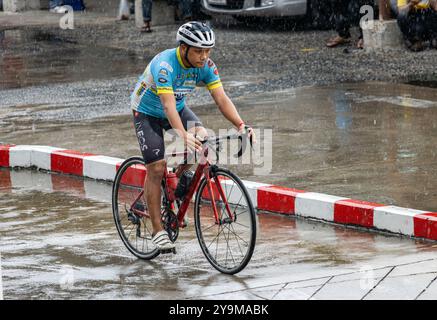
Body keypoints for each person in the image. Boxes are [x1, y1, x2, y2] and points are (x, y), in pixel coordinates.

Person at [130, 22, 255, 251]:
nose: (203, 56)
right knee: (156, 168)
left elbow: (221, 99)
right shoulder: (166, 65)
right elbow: (167, 106)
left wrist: (241, 124)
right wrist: (181, 135)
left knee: (202, 137)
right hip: (147, 112)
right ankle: (158, 230)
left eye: (208, 50)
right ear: (183, 48)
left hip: (176, 109)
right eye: (198, 50)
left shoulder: (206, 65)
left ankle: (178, 179)